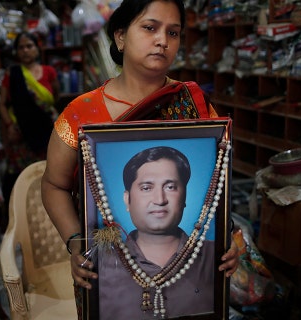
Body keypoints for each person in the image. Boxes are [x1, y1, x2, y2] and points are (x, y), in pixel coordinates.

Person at [41, 0, 239, 318]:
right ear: (120, 37)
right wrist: (76, 241)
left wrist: (229, 239)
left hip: (189, 281)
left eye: (172, 32)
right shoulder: (82, 112)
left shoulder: (196, 106)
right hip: (107, 276)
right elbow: (54, 185)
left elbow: (218, 186)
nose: (162, 40)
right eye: (150, 28)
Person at [95, 146, 218, 319]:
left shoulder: (215, 256)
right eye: (146, 188)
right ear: (127, 199)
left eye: (170, 187)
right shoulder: (100, 262)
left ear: (184, 196)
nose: (160, 200)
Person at [0, 32, 59, 195]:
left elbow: (55, 98)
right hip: (21, 133)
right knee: (23, 178)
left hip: (46, 131)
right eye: (21, 47)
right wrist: (10, 126)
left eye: (29, 46)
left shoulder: (49, 72)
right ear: (16, 52)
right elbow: (2, 104)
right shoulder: (12, 74)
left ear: (37, 49)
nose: (25, 50)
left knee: (48, 175)